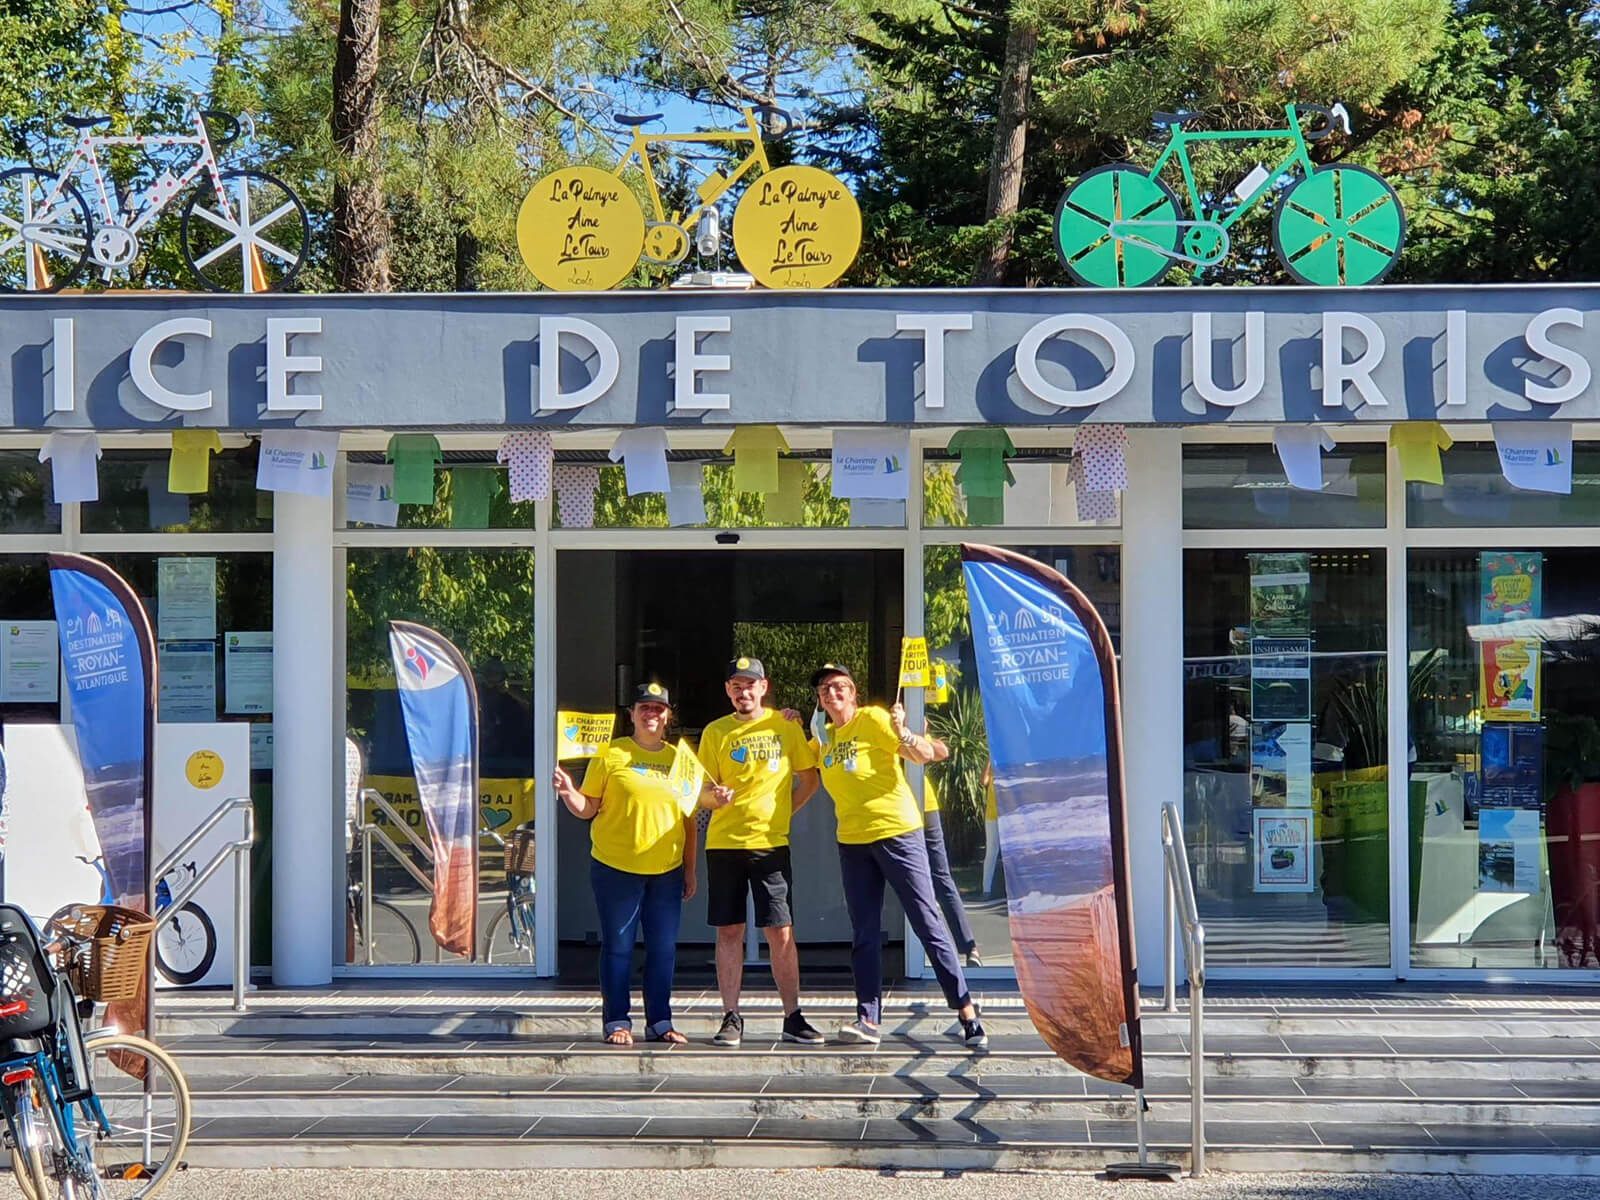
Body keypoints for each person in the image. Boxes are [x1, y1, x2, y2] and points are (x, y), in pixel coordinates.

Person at [808, 663, 986, 1047]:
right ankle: (867, 1019)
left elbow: (922, 754)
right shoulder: (821, 739)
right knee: (864, 933)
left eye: (839, 687)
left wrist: (904, 730)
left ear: (853, 692)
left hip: (897, 832)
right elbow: (796, 760)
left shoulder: (872, 720)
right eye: (824, 690)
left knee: (926, 920)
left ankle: (966, 1011)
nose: (831, 694)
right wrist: (786, 721)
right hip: (852, 842)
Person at [552, 681, 697, 1046]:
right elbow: (589, 808)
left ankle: (660, 1022)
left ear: (668, 716)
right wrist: (570, 792)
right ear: (631, 714)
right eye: (644, 707)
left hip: (666, 870)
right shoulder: (611, 753)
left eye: (658, 708)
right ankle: (616, 1020)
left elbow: (689, 820)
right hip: (616, 868)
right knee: (618, 947)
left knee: (663, 949)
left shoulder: (681, 760)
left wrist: (690, 869)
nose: (652, 713)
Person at [698, 656, 825, 1047]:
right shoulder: (715, 732)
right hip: (724, 844)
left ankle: (792, 1016)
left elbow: (809, 778)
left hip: (770, 844)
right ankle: (731, 1017)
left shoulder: (785, 724)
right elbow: (698, 792)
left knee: (780, 931)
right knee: (729, 932)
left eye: (750, 684)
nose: (743, 691)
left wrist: (784, 811)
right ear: (728, 691)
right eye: (736, 685)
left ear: (763, 687)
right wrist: (713, 798)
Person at [921, 738, 982, 968]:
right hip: (890, 814)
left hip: (924, 807)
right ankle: (938, 957)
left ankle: (968, 947)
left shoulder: (908, 725)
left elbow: (941, 751)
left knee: (941, 877)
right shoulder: (870, 724)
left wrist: (914, 733)